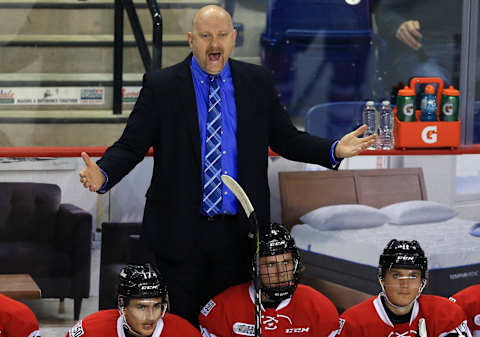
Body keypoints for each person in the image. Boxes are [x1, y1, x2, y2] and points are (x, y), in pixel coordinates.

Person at [78, 4, 375, 324]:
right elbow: (132, 144)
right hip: (177, 235)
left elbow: (287, 139)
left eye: (221, 35)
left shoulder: (256, 82)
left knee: (232, 325)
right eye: (206, 36)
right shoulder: (162, 86)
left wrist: (333, 149)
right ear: (191, 40)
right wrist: (104, 172)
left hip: (239, 239)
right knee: (180, 326)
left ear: (234, 38)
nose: (214, 45)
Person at [198, 223, 340, 337]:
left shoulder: (318, 308)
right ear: (254, 267)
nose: (280, 273)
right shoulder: (222, 309)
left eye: (286, 262)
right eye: (270, 264)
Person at [338, 239, 472, 337]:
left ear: (423, 282)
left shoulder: (446, 313)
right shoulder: (354, 323)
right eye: (396, 275)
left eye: (413, 276)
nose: (405, 284)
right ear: (382, 279)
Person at [66, 263, 201, 337]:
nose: (151, 316)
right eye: (141, 307)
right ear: (122, 305)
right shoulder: (90, 331)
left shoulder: (185, 332)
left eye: (156, 306)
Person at [374, 1, 462, 97]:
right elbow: (384, 12)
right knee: (432, 90)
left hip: (468, 47)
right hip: (421, 47)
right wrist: (398, 24)